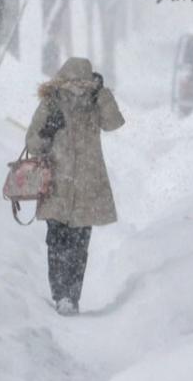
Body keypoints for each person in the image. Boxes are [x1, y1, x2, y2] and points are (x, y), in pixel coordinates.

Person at [25, 57, 125, 316]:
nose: (78, 89)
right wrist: (101, 95)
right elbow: (114, 123)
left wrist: (101, 96)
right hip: (72, 186)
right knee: (77, 247)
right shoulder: (64, 102)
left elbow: (33, 142)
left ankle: (63, 296)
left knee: (58, 244)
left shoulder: (78, 102)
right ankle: (68, 296)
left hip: (68, 186)